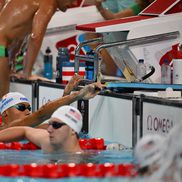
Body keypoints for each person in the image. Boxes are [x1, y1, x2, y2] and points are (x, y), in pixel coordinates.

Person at [0, 0, 77, 98]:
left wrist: (10, 65)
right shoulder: (49, 4)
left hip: (2, 48)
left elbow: (17, 33)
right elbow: (36, 37)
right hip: (1, 48)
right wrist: (27, 74)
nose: (74, 3)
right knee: (3, 102)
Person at [0, 74, 104, 130]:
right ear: (5, 113)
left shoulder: (34, 130)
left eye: (29, 108)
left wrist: (66, 95)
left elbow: (58, 123)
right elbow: (41, 114)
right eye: (21, 107)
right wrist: (78, 95)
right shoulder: (4, 130)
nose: (27, 111)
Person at [0, 105, 84, 153]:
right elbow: (25, 130)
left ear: (73, 130)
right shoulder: (48, 144)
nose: (49, 130)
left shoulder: (82, 162)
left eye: (56, 125)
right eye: (50, 124)